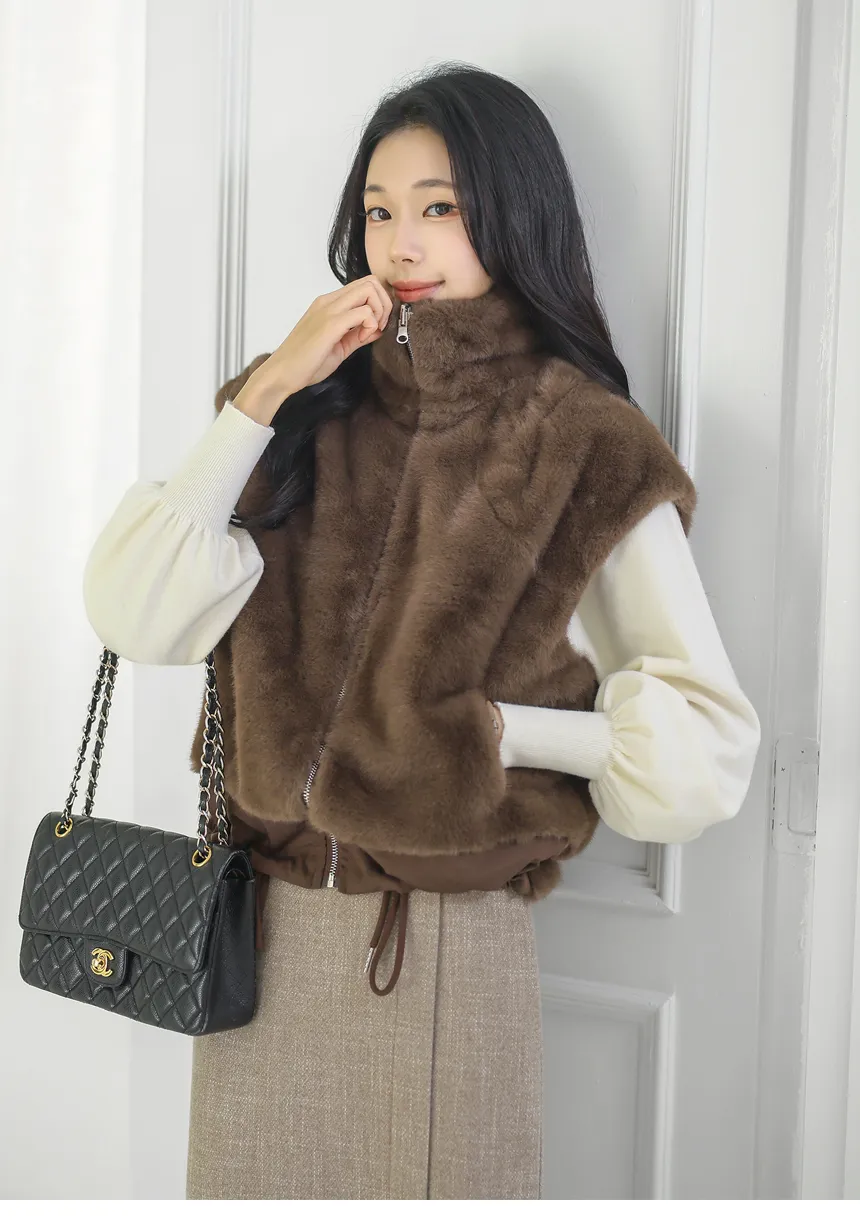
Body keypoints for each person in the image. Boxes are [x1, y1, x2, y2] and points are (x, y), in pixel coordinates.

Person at [82, 63, 761, 1201]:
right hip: (256, 932)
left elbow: (706, 740)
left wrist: (504, 734)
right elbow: (135, 614)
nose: (402, 241)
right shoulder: (301, 412)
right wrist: (266, 392)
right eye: (379, 210)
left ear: (513, 211)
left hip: (438, 945)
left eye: (439, 206)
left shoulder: (582, 440)